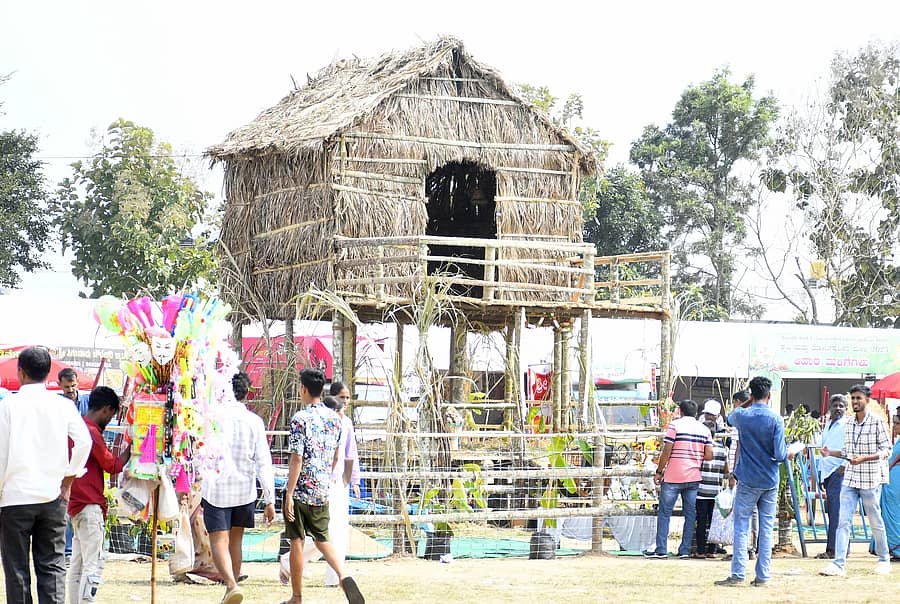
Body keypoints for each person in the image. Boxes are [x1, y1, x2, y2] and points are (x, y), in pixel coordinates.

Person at [0, 346, 92, 604]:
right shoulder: (61, 405)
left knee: (17, 570)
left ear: (21, 372)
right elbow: (84, 442)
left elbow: (1, 453)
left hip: (15, 497)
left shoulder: (8, 406)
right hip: (53, 496)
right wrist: (70, 477)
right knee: (52, 567)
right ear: (47, 372)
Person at [283, 368, 364, 604]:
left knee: (296, 540)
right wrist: (325, 477)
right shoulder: (335, 419)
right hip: (322, 487)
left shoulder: (300, 418)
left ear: (304, 389)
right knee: (322, 538)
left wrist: (289, 492)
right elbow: (338, 457)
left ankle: (296, 596)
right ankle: (343, 574)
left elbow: (296, 457)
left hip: (300, 489)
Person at [201, 371, 276, 604]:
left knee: (218, 542)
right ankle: (230, 589)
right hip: (245, 490)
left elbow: (200, 452)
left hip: (216, 489)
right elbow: (264, 461)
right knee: (236, 541)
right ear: (246, 393)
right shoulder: (254, 421)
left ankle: (231, 585)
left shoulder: (212, 419)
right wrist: (270, 499)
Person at [715, 376, 789, 587]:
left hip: (747, 478)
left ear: (751, 394)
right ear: (770, 395)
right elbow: (780, 454)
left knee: (741, 527)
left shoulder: (743, 416)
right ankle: (762, 576)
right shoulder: (776, 419)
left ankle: (738, 574)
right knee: (766, 528)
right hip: (769, 479)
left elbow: (730, 418)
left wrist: (749, 400)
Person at [819, 384, 892, 577]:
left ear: (867, 400)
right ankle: (838, 563)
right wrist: (831, 453)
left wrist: (865, 458)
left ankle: (884, 560)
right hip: (850, 479)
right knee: (843, 522)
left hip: (870, 479)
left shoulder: (876, 421)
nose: (855, 402)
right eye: (853, 398)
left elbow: (887, 450)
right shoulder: (849, 423)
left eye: (858, 398)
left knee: (875, 520)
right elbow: (848, 452)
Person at [68, 386, 130, 604]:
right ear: (106, 409)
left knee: (77, 564)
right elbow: (112, 465)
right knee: (93, 564)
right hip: (89, 504)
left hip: (76, 504)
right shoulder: (92, 432)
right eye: (112, 416)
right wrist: (131, 447)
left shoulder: (78, 427)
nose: (111, 420)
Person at [644, 399, 712, 559]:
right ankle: (685, 550)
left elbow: (667, 450)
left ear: (680, 411)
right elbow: (709, 455)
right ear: (696, 413)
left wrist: (659, 471)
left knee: (665, 513)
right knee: (690, 515)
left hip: (674, 475)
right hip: (693, 476)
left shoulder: (675, 426)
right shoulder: (704, 430)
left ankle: (661, 549)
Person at [58, 367, 90, 559]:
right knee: (65, 505)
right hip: (65, 461)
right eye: (67, 386)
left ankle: (79, 549)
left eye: (73, 386)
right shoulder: (58, 404)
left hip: (84, 461)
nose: (71, 390)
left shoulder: (87, 401)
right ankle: (68, 549)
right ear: (60, 385)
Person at [726, 389, 759, 561]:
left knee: (743, 512)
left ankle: (745, 548)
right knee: (752, 512)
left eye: (734, 403)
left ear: (739, 402)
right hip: (750, 472)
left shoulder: (741, 420)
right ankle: (751, 548)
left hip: (741, 472)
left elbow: (738, 447)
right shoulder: (755, 419)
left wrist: (734, 473)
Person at [816, 393, 848, 560]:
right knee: (832, 513)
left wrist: (844, 466)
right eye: (835, 405)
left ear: (846, 408)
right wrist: (822, 475)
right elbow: (824, 449)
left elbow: (852, 447)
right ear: (830, 407)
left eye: (841, 406)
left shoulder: (847, 425)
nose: (838, 408)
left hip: (839, 473)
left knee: (837, 514)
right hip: (828, 474)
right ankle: (834, 548)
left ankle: (835, 550)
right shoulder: (828, 424)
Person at [695, 418, 729, 558]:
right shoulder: (722, 449)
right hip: (716, 491)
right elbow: (726, 471)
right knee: (715, 521)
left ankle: (700, 550)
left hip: (701, 491)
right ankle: (712, 550)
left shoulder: (701, 449)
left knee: (701, 521)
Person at [881, 414, 900, 559]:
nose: (894, 426)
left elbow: (889, 460)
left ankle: (896, 548)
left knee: (894, 513)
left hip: (895, 482)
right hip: (892, 480)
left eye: (897, 423)